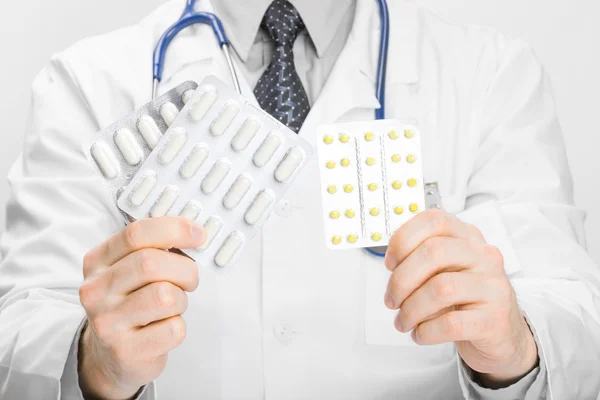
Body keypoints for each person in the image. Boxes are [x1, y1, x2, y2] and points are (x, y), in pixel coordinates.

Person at [1, 0, 599, 399]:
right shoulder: (86, 82)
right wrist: (91, 363)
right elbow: (18, 338)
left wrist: (516, 344)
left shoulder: (493, 76)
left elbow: (578, 326)